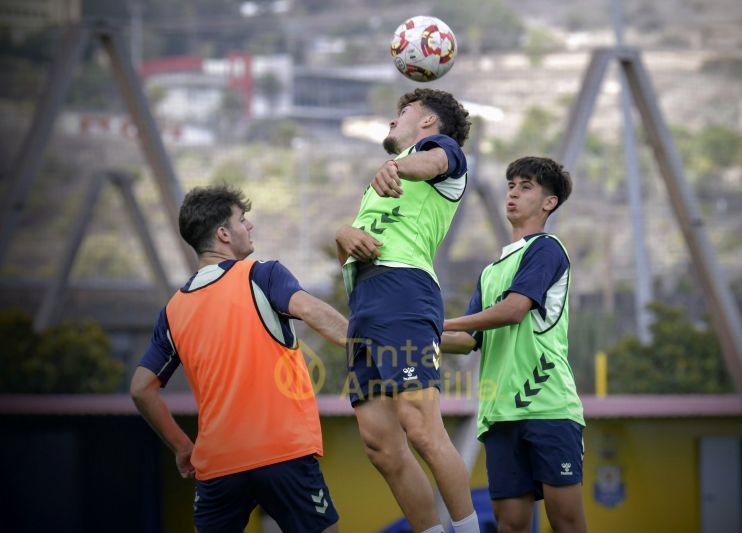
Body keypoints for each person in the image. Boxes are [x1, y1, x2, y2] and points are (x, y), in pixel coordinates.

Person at [130, 185, 345, 533]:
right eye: (243, 220)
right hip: (282, 453)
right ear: (223, 234)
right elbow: (313, 311)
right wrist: (369, 343)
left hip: (218, 466)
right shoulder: (262, 275)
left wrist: (182, 446)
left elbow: (141, 389)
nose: (251, 226)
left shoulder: (173, 311)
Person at [334, 88, 479, 533]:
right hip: (366, 303)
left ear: (429, 123)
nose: (393, 120)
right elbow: (353, 247)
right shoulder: (379, 184)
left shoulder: (440, 154)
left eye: (404, 112)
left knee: (420, 426)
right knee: (381, 446)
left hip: (404, 291)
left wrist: (397, 165)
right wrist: (344, 236)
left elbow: (431, 164)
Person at [440, 156, 588, 533]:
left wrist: (440, 321)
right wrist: (415, 333)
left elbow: (513, 310)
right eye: (510, 185)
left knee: (566, 522)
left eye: (525, 187)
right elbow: (466, 340)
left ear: (548, 202)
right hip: (500, 414)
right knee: (510, 525)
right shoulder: (491, 272)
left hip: (549, 407)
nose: (513, 194)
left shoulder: (547, 249)